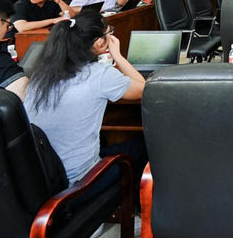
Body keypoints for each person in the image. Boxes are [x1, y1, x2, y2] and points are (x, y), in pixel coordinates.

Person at [23, 10, 147, 189]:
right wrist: (118, 56)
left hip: (43, 179)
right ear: (99, 42)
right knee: (143, 143)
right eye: (109, 32)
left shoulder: (40, 75)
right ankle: (133, 201)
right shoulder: (99, 74)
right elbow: (143, 89)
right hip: (80, 182)